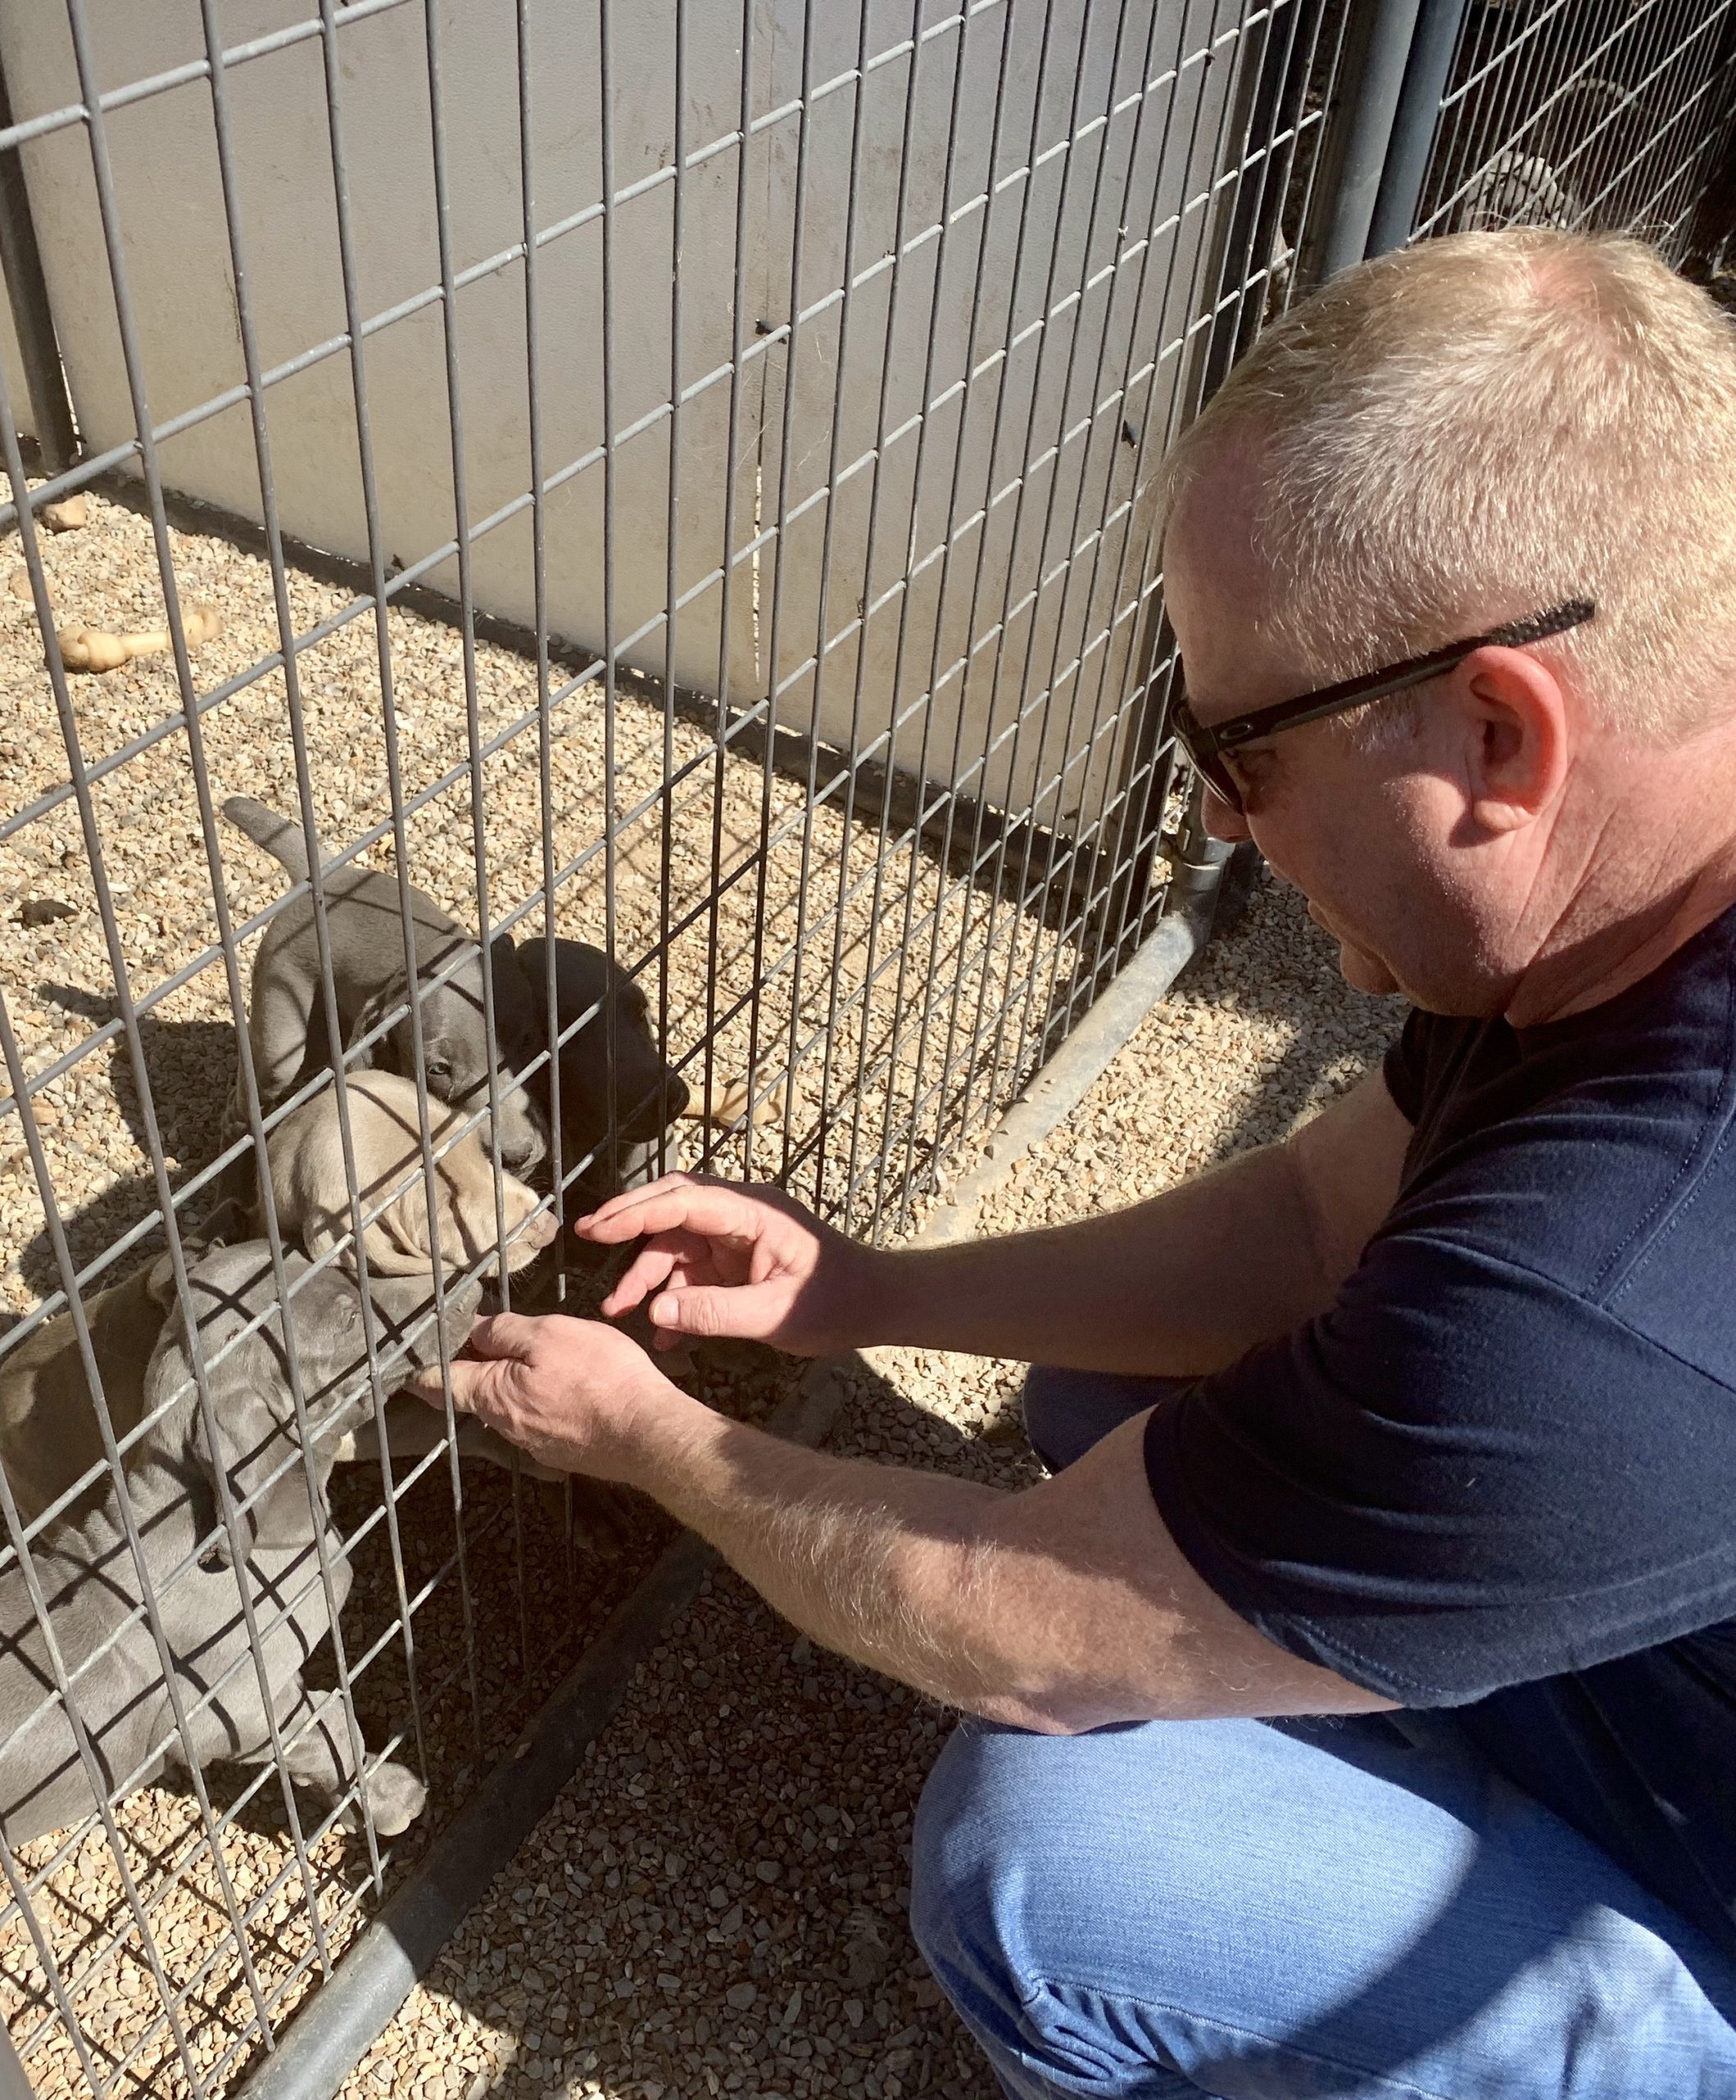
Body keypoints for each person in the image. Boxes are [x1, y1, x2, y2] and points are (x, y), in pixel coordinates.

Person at [414, 230, 1736, 2096]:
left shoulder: (1607, 1279)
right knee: (1104, 1382)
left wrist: (657, 1440)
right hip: (1659, 1603)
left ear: (1500, 731)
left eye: (1236, 741)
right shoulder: (1635, 894)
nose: (1203, 805)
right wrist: (865, 1285)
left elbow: (1020, 1631)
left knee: (1051, 1867)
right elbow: (1304, 1215)